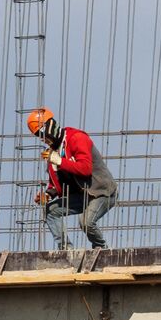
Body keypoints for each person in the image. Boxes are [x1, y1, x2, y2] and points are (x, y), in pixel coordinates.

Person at [26, 107, 117, 250]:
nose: (44, 139)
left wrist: (60, 161)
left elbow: (85, 169)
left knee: (87, 222)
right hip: (82, 195)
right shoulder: (52, 154)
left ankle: (101, 249)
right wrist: (49, 194)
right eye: (39, 135)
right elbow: (56, 183)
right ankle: (66, 250)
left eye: (43, 133)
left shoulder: (77, 138)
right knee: (51, 211)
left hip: (102, 192)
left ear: (51, 126)